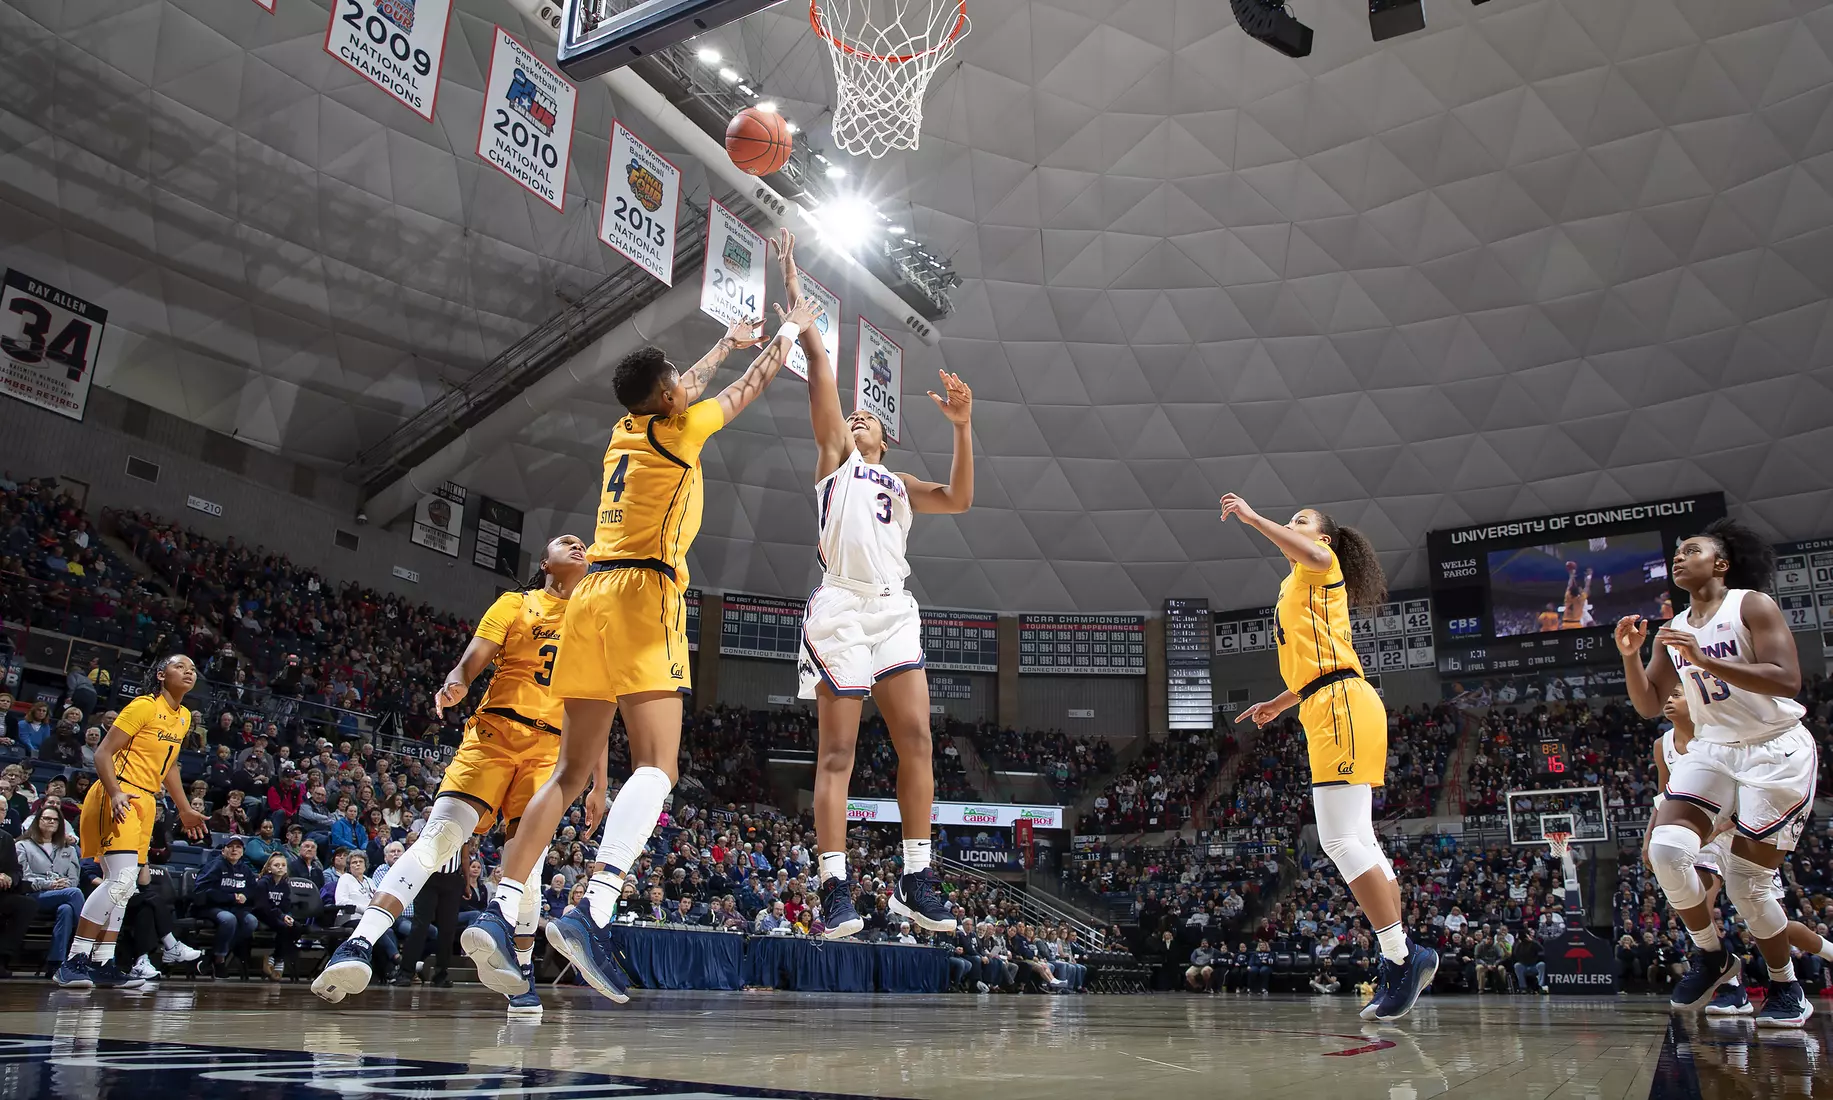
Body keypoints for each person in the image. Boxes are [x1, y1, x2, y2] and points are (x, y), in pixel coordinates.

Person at [463, 288, 822, 1007]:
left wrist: (725, 341)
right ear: (665, 393)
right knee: (658, 764)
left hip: (589, 598)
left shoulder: (625, 431)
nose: (681, 385)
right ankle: (593, 907)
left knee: (567, 774)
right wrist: (791, 330)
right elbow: (753, 387)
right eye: (674, 380)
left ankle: (503, 911)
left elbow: (684, 383)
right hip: (644, 594)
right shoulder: (683, 428)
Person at [772, 231, 972, 940]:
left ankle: (917, 877)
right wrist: (796, 292)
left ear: (884, 436)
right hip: (841, 607)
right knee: (836, 755)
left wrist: (962, 425)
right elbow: (821, 367)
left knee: (917, 738)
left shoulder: (900, 481)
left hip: (892, 609)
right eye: (852, 417)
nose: (857, 417)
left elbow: (958, 497)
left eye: (869, 417)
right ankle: (833, 888)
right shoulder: (836, 461)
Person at [315, 536, 591, 1020]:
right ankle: (357, 945)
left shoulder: (592, 618)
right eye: (564, 542)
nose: (577, 544)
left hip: (552, 749)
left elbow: (596, 706)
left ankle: (521, 978)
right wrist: (456, 682)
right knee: (439, 839)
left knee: (526, 866)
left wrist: (600, 782)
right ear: (544, 563)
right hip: (493, 733)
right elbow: (472, 660)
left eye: (583, 544)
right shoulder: (515, 603)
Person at [1225, 496, 1436, 1021]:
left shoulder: (1322, 564)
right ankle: (1404, 956)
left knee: (1339, 839)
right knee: (1360, 839)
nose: (1291, 527)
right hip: (1330, 700)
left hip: (1341, 703)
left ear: (1322, 539)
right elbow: (1315, 662)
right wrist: (1279, 701)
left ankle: (1401, 956)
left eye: (1302, 523)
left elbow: (1327, 660)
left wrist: (1255, 520)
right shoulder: (1295, 583)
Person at [1619, 518, 1820, 1028]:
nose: (1678, 559)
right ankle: (1712, 955)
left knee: (1749, 887)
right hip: (1714, 749)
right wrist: (1631, 658)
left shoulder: (1750, 604)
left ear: (1721, 563)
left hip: (1774, 752)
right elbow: (1648, 705)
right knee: (1665, 849)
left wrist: (1705, 659)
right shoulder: (1674, 629)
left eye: (1691, 550)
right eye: (1676, 555)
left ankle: (1786, 985)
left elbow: (1788, 680)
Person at [1646, 683, 1833, 1017]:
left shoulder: (1725, 735)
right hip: (1703, 829)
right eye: (1669, 693)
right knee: (1688, 883)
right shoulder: (1665, 746)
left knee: (1766, 918)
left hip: (1735, 825)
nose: (1670, 699)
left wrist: (1717, 826)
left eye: (1678, 693)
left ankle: (1796, 974)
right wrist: (1651, 838)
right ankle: (1730, 986)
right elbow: (1665, 798)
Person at [55, 655, 207, 988]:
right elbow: (102, 753)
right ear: (161, 674)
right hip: (119, 792)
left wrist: (183, 808)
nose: (189, 672)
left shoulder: (182, 717)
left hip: (147, 801)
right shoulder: (143, 706)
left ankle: (103, 961)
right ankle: (73, 961)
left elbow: (169, 768)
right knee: (121, 879)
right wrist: (115, 792)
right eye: (180, 666)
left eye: (193, 669)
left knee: (125, 889)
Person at [18, 804, 85, 974]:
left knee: (66, 909)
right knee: (74, 894)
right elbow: (24, 878)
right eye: (47, 818)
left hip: (63, 896)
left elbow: (74, 879)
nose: (51, 822)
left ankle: (55, 964)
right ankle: (86, 948)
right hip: (34, 896)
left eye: (55, 820)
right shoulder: (23, 846)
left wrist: (64, 885)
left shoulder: (68, 849)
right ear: (38, 820)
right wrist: (50, 884)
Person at [194, 835, 260, 980]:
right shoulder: (214, 866)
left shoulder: (246, 870)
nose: (234, 849)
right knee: (229, 920)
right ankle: (219, 961)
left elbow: (254, 890)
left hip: (236, 908)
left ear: (243, 852)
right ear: (223, 850)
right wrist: (232, 897)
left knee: (252, 922)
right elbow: (203, 891)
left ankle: (212, 955)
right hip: (211, 907)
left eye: (238, 847)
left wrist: (245, 896)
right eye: (230, 846)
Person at [253, 852, 299, 981]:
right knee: (283, 927)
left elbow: (286, 905)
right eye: (276, 865)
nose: (280, 867)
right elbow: (262, 906)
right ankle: (279, 959)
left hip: (278, 914)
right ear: (269, 868)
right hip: (262, 914)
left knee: (296, 927)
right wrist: (281, 916)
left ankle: (276, 956)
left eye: (283, 865)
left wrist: (286, 916)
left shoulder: (285, 885)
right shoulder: (263, 883)